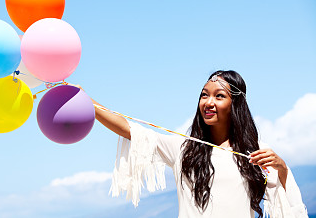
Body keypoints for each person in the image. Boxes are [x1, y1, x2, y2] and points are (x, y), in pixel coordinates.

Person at [75, 70, 308, 218]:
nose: (208, 102)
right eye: (204, 95)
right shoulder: (184, 149)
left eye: (219, 96)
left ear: (235, 104)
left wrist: (283, 168)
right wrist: (86, 100)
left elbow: (288, 206)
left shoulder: (255, 153)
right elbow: (130, 130)